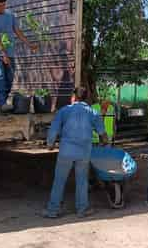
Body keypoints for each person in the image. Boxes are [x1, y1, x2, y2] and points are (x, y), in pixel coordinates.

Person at [43, 87, 107, 218]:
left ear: (74, 97)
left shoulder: (64, 110)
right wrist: (104, 142)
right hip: (84, 152)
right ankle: (82, 210)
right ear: (86, 98)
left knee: (59, 180)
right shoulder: (93, 113)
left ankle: (52, 210)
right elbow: (103, 134)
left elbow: (54, 130)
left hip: (66, 151)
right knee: (82, 180)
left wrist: (50, 144)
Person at [0, 0, 38, 113]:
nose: (2, 7)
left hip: (10, 52)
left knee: (10, 78)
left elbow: (17, 31)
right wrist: (3, 54)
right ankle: (2, 103)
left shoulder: (11, 15)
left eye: (3, 5)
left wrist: (29, 44)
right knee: (0, 76)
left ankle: (1, 105)